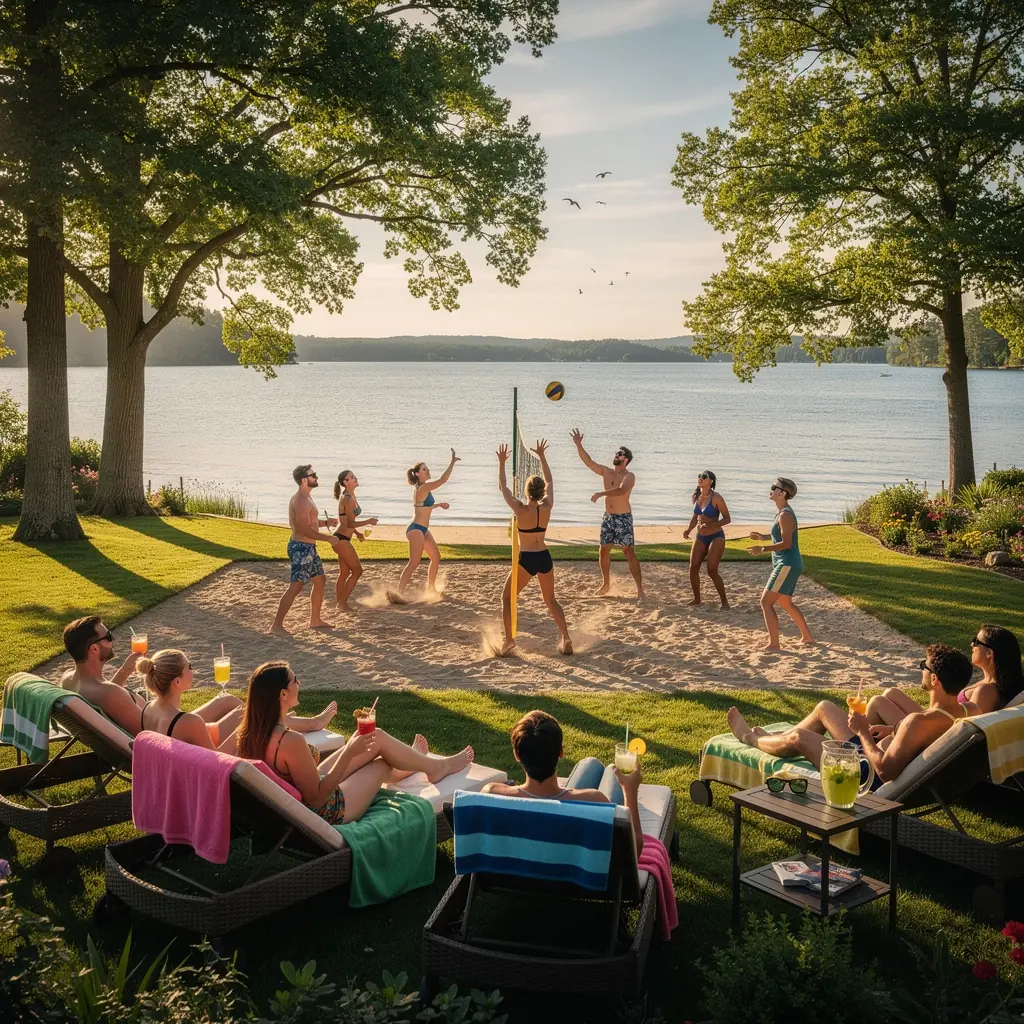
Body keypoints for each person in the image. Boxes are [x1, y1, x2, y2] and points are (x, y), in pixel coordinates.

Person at [236, 661, 475, 824]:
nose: (299, 683)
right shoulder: (290, 741)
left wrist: (350, 750)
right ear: (282, 694)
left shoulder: (252, 732)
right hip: (324, 811)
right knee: (380, 764)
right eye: (294, 680)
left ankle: (419, 761)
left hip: (298, 797)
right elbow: (317, 798)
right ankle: (434, 767)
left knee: (373, 737)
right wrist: (349, 753)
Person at [725, 643, 973, 785]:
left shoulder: (919, 721)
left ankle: (750, 738)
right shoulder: (968, 710)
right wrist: (893, 729)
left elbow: (885, 772)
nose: (921, 670)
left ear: (934, 679)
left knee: (799, 738)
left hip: (862, 774)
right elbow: (922, 738)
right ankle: (776, 738)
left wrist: (863, 732)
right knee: (825, 707)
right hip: (869, 755)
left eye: (923, 667)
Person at [483, 710, 644, 858]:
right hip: (575, 876)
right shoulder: (595, 801)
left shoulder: (491, 795)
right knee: (609, 770)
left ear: (516, 755)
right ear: (561, 752)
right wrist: (629, 790)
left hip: (517, 877)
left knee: (591, 763)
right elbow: (632, 853)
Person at [136, 648, 338, 754]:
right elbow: (217, 764)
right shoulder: (188, 722)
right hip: (201, 779)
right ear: (177, 681)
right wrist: (241, 731)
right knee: (248, 717)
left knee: (243, 710)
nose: (193, 670)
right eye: (189, 666)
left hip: (183, 762)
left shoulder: (149, 710)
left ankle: (288, 721)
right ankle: (308, 723)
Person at [495, 440, 572, 657]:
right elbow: (550, 481)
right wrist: (542, 457)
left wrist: (501, 463)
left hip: (527, 559)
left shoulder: (519, 509)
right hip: (544, 556)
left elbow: (503, 487)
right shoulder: (547, 506)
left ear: (527, 492)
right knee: (551, 600)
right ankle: (566, 637)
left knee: (506, 598)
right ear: (540, 493)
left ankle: (509, 640)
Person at [866, 624, 1024, 724]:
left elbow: (964, 732)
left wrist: (898, 729)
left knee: (877, 703)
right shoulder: (988, 684)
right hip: (939, 720)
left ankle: (861, 747)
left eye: (976, 642)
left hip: (936, 734)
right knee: (891, 693)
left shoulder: (986, 692)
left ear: (989, 653)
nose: (971, 644)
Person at [570, 428, 644, 599]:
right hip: (608, 517)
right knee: (603, 550)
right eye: (616, 453)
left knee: (629, 552)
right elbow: (589, 462)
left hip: (623, 517)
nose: (616, 455)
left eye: (620, 454)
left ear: (626, 459)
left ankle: (640, 588)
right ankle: (606, 584)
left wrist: (600, 494)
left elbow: (621, 491)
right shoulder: (606, 471)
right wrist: (579, 445)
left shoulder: (629, 476)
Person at [271, 465, 343, 634]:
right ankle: (276, 626)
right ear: (304, 480)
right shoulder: (301, 501)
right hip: (301, 548)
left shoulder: (306, 497)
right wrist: (328, 538)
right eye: (313, 475)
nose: (316, 477)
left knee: (320, 580)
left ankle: (315, 620)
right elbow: (304, 529)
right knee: (296, 586)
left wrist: (325, 523)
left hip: (309, 547)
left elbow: (310, 523)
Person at [749, 477, 813, 649]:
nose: (771, 489)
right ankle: (807, 637)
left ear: (782, 493)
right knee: (785, 602)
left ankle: (774, 644)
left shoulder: (785, 515)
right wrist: (763, 537)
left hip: (786, 564)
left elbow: (787, 543)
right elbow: (781, 535)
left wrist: (762, 548)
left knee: (766, 602)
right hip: (789, 564)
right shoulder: (782, 513)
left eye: (774, 487)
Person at [59, 615, 147, 734]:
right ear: (94, 649)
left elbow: (106, 695)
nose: (113, 639)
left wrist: (124, 671)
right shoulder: (112, 694)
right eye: (108, 637)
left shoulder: (67, 679)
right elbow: (150, 732)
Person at [397, 449, 459, 597]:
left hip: (422, 529)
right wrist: (452, 462)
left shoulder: (422, 487)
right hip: (415, 529)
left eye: (427, 468)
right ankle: (399, 593)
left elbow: (422, 507)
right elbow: (442, 480)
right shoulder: (423, 487)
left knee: (436, 557)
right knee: (414, 563)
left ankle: (430, 588)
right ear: (417, 474)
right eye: (424, 469)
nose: (428, 471)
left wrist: (438, 505)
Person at [683, 469, 731, 608]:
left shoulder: (717, 498)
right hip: (700, 536)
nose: (700, 478)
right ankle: (697, 599)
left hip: (716, 536)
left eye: (704, 477)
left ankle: (724, 602)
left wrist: (711, 525)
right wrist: (689, 530)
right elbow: (695, 517)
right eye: (699, 476)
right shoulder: (696, 497)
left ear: (711, 482)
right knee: (693, 568)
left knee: (712, 570)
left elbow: (727, 519)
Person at [332, 470, 379, 613]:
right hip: (341, 540)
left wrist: (357, 534)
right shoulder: (347, 498)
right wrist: (368, 521)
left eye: (354, 476)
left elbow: (346, 522)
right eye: (352, 477)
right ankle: (342, 603)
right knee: (357, 571)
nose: (355, 478)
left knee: (344, 573)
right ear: (345, 482)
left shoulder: (350, 496)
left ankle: (340, 603)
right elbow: (349, 523)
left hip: (340, 538)